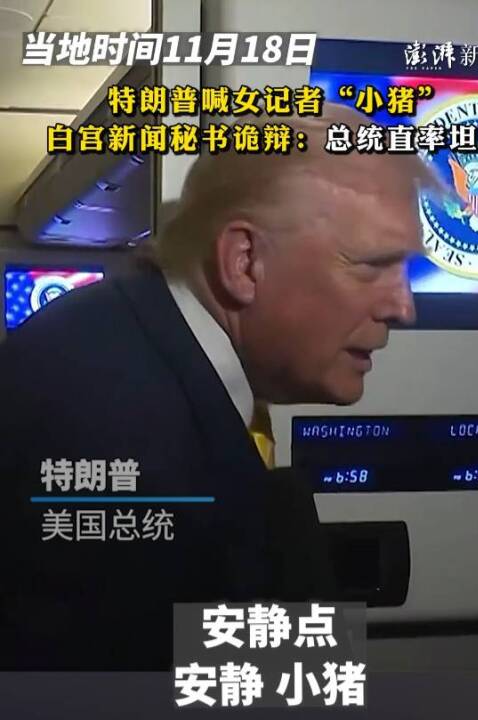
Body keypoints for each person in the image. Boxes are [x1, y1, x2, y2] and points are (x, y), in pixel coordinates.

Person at [0, 103, 440, 670]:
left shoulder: (135, 342)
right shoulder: (128, 438)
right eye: (372, 266)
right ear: (244, 261)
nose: (403, 307)